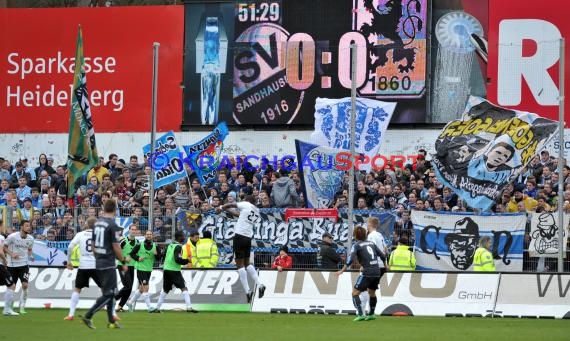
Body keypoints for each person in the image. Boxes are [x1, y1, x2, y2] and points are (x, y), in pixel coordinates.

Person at [81, 199, 128, 330]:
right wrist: (123, 261)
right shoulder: (112, 225)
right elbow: (116, 247)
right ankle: (88, 316)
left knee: (110, 293)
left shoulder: (97, 223)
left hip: (99, 262)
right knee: (109, 293)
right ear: (115, 209)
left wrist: (98, 258)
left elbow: (93, 245)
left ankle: (111, 321)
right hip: (108, 263)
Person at [216, 195, 265, 302]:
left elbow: (232, 204)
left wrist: (221, 207)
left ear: (247, 200)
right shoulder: (257, 211)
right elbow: (239, 214)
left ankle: (247, 291)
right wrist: (227, 210)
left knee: (240, 265)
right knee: (247, 264)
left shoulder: (246, 204)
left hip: (239, 236)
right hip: (248, 238)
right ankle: (260, 284)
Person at [336, 226, 387, 322]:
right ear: (365, 234)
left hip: (367, 272)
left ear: (355, 236)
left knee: (355, 293)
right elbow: (383, 255)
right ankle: (371, 314)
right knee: (372, 293)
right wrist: (386, 265)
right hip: (377, 271)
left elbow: (350, 259)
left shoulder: (357, 245)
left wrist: (342, 270)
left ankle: (360, 314)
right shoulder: (371, 243)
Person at [64, 217, 105, 321]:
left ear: (86, 224)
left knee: (77, 289)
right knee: (105, 289)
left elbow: (70, 247)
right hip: (97, 266)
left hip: (83, 266)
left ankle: (71, 314)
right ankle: (112, 313)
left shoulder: (80, 234)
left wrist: (69, 261)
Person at [150, 231, 198, 313]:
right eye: (182, 236)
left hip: (166, 270)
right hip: (174, 270)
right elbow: (177, 260)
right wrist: (187, 260)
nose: (184, 237)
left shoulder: (170, 245)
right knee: (184, 288)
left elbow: (164, 256)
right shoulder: (179, 247)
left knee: (165, 290)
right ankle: (189, 307)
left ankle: (157, 308)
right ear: (179, 237)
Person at [3, 220, 34, 314]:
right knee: (12, 286)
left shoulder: (31, 239)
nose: (29, 227)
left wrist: (30, 256)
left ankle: (22, 307)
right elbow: (4, 247)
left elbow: (29, 249)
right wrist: (12, 254)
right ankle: (9, 307)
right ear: (21, 227)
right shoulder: (12, 236)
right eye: (27, 226)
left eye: (29, 226)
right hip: (12, 266)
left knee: (25, 285)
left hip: (24, 265)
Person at [360, 217, 388, 314]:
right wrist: (386, 263)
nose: (366, 225)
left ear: (370, 224)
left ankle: (362, 312)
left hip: (373, 266)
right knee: (371, 291)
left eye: (367, 223)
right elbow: (385, 249)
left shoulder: (371, 236)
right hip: (381, 267)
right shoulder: (380, 235)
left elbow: (371, 250)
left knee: (361, 288)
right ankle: (371, 312)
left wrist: (365, 264)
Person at [127, 230, 158, 312]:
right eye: (147, 234)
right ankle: (149, 307)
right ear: (145, 235)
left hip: (148, 269)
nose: (148, 236)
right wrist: (138, 258)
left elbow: (158, 258)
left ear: (152, 236)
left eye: (150, 234)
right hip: (140, 269)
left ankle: (130, 303)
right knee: (146, 287)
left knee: (141, 289)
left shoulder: (155, 246)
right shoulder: (139, 244)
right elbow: (132, 253)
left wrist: (156, 254)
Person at [115, 224, 139, 312]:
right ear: (129, 230)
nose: (133, 231)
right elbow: (116, 253)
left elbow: (137, 255)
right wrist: (124, 259)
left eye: (135, 229)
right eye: (132, 229)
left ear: (136, 231)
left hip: (132, 267)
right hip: (122, 265)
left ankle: (120, 306)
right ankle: (113, 299)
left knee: (129, 287)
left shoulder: (137, 242)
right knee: (127, 286)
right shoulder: (123, 241)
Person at [1, 227, 19, 316]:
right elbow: (1, 250)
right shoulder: (0, 237)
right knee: (11, 285)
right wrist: (4, 260)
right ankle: (7, 310)